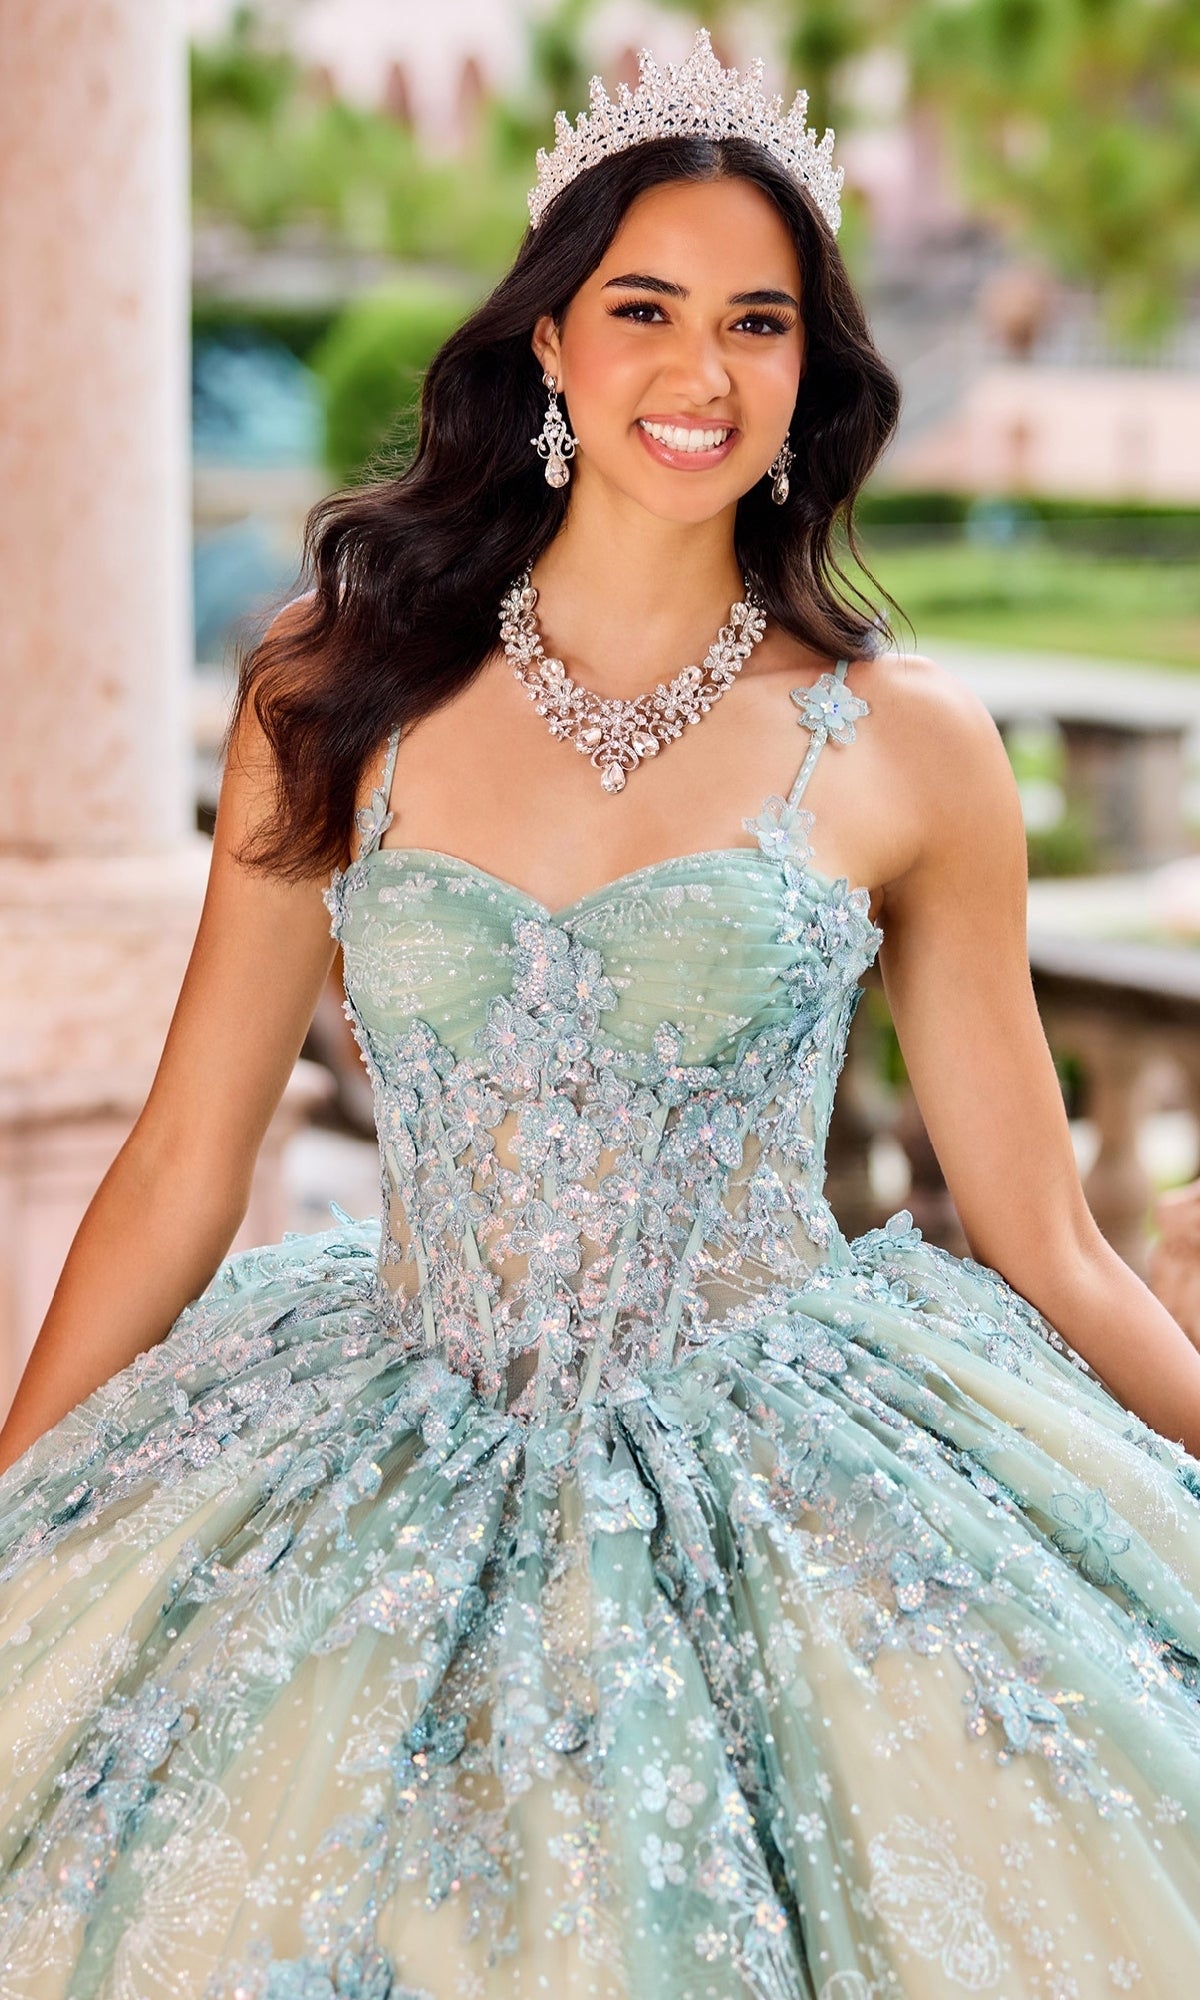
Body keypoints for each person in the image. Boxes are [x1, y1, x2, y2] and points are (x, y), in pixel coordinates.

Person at [1, 29, 1199, 1999]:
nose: (699, 369)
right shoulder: (333, 689)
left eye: (759, 322)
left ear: (812, 376)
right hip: (378, 1451)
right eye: (644, 307)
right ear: (550, 343)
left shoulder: (912, 748)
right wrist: (23, 1515)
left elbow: (1050, 1231)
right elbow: (182, 1160)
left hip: (793, 1484)